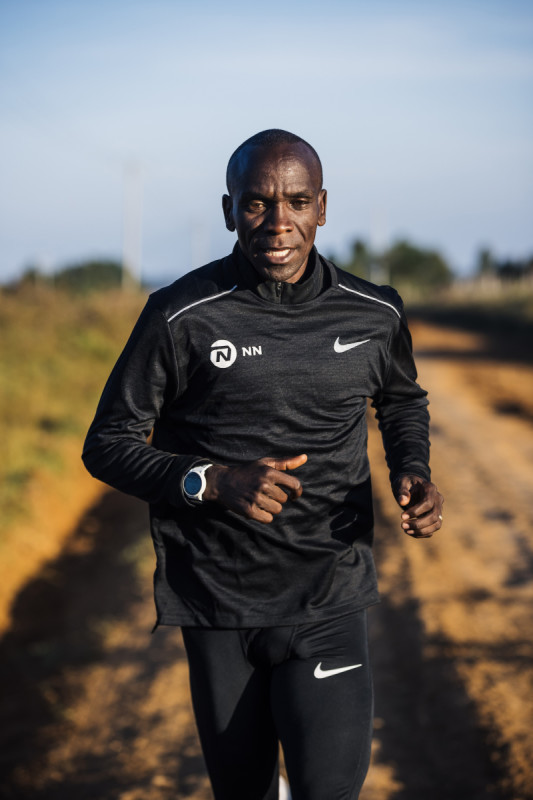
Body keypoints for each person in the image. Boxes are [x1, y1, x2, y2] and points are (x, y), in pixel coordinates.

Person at [82, 129, 444, 800]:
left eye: (297, 202)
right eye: (257, 203)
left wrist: (411, 467)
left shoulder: (374, 311)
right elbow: (108, 443)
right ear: (230, 211)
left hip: (328, 591)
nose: (279, 223)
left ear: (322, 208)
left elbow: (400, 401)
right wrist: (212, 481)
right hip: (218, 600)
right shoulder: (179, 315)